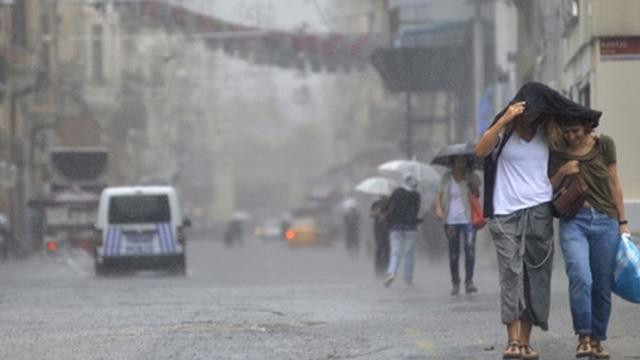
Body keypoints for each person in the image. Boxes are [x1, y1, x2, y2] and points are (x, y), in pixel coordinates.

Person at [475, 83, 558, 360]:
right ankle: (511, 340)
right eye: (526, 112)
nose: (531, 118)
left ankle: (525, 340)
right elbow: (480, 151)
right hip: (505, 212)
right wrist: (504, 119)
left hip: (539, 211)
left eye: (536, 113)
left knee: (535, 274)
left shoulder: (548, 134)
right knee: (511, 274)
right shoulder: (505, 133)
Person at [548, 117, 629, 359]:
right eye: (567, 131)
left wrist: (623, 222)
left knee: (602, 284)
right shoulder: (556, 150)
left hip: (606, 220)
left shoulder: (604, 145)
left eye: (575, 131)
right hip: (574, 222)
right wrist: (563, 171)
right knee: (581, 277)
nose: (571, 136)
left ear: (587, 128)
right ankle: (583, 336)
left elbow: (615, 182)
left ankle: (597, 339)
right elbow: (546, 186)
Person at [435, 155, 481, 295]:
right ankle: (455, 283)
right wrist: (439, 209)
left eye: (464, 160)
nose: (461, 163)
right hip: (451, 221)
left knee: (470, 251)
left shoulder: (471, 176)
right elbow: (439, 195)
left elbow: (477, 195)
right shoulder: (446, 178)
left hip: (468, 220)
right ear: (453, 162)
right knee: (454, 254)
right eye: (459, 160)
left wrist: (471, 183)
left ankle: (469, 282)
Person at [384, 173, 421, 288]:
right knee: (408, 254)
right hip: (411, 227)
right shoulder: (416, 195)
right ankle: (408, 281)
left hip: (396, 226)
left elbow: (388, 206)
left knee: (395, 252)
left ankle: (391, 273)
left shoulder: (397, 192)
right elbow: (417, 210)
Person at [370, 195, 390, 277]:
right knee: (381, 248)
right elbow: (371, 214)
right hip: (379, 229)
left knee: (386, 249)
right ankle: (379, 269)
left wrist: (387, 214)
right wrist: (377, 213)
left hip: (387, 229)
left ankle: (383, 268)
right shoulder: (376, 204)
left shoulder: (391, 204)